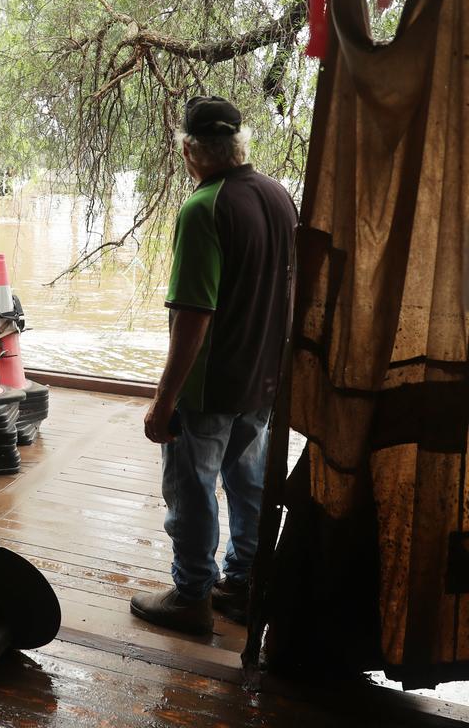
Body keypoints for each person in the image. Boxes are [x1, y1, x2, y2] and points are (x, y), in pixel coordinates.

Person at [129, 96, 297, 635]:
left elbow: (194, 317)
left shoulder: (204, 208)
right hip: (263, 380)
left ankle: (191, 594)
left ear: (189, 150)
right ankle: (243, 583)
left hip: (211, 386)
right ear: (240, 143)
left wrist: (164, 399)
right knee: (249, 483)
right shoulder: (278, 196)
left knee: (192, 490)